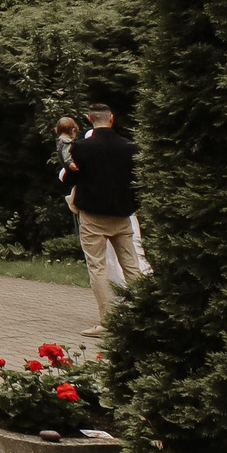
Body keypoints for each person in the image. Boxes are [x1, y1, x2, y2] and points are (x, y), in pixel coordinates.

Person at [60, 102, 144, 319]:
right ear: (112, 118)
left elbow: (70, 178)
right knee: (131, 266)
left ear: (89, 119)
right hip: (122, 214)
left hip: (92, 215)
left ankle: (107, 321)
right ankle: (141, 315)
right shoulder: (130, 147)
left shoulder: (81, 148)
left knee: (97, 268)